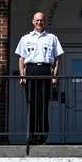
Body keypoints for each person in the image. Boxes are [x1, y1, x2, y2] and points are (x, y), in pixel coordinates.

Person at [15, 12, 64, 144]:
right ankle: (32, 136)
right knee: (31, 104)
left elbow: (57, 58)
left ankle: (42, 136)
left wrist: (55, 76)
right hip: (30, 70)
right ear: (33, 22)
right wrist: (22, 76)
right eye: (37, 20)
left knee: (43, 105)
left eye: (41, 20)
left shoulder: (52, 38)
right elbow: (21, 58)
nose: (39, 23)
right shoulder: (25, 38)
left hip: (45, 70)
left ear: (44, 21)